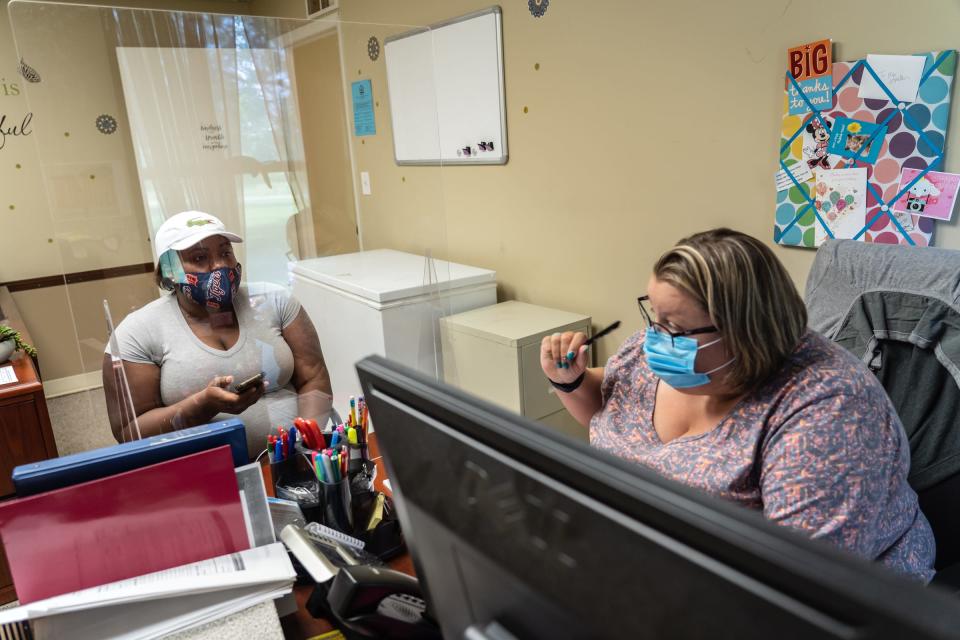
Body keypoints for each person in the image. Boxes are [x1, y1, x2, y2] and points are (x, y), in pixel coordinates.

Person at [540, 228, 935, 582]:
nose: (655, 341)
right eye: (655, 318)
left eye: (676, 328)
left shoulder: (828, 413)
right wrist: (570, 381)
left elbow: (797, 585)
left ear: (748, 329)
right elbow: (609, 406)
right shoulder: (655, 355)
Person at [102, 210, 332, 458]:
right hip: (203, 473)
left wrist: (307, 445)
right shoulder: (137, 332)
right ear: (170, 269)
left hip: (294, 461)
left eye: (225, 252)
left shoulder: (274, 301)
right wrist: (202, 406)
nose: (220, 266)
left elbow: (314, 377)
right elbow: (130, 432)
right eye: (199, 257)